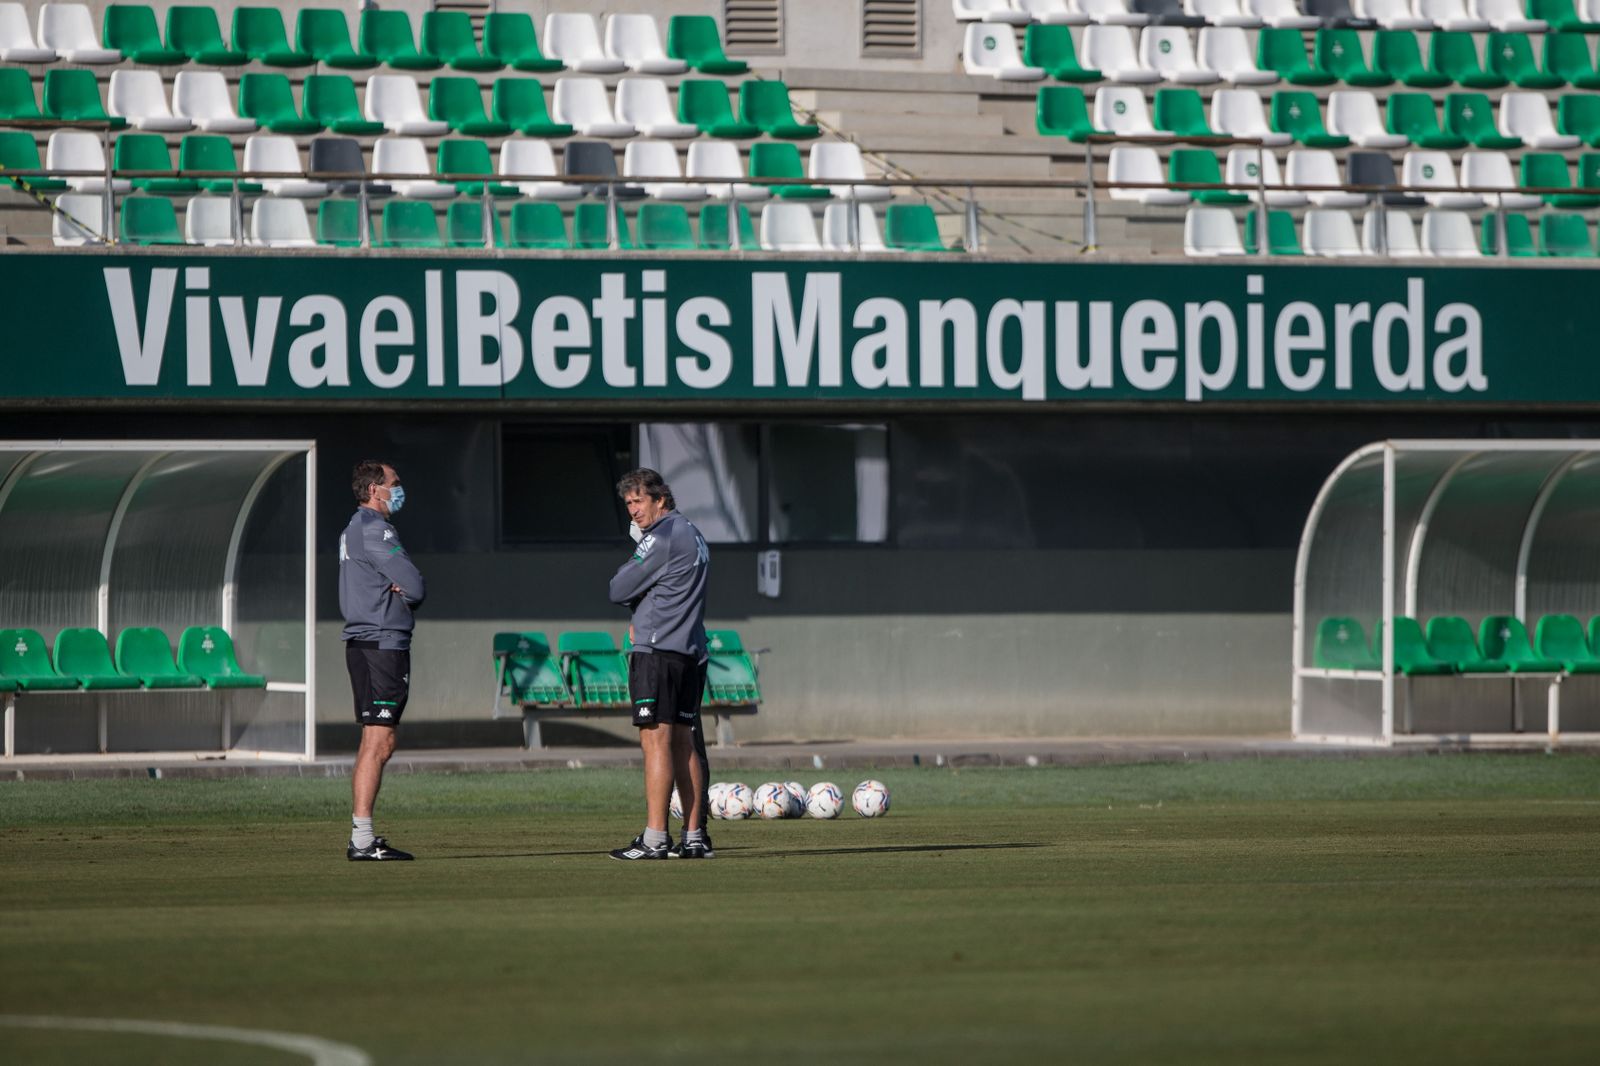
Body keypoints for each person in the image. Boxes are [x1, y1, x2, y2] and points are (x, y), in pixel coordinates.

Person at [607, 468, 714, 860]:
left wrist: (641, 565)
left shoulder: (664, 534)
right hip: (690, 651)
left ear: (660, 499)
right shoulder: (695, 534)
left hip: (658, 650)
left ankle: (654, 839)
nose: (633, 511)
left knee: (656, 742)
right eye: (628, 504)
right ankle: (694, 837)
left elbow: (617, 588)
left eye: (638, 501)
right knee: (685, 744)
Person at [339, 460, 425, 861]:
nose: (399, 488)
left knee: (375, 739)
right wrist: (402, 590)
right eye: (395, 482)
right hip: (380, 643)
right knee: (380, 740)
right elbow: (415, 585)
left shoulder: (354, 529)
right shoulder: (375, 529)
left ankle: (361, 836)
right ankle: (361, 839)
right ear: (376, 489)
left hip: (367, 641)